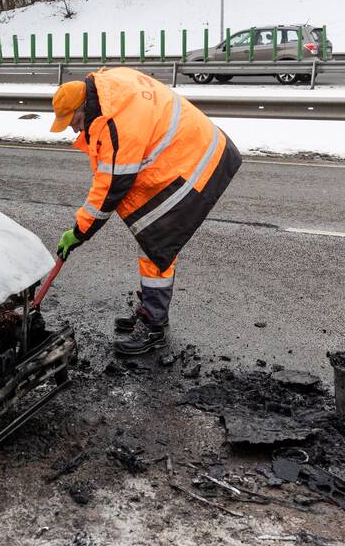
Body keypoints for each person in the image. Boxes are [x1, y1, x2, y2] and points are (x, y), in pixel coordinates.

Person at [51, 67, 241, 355]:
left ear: (84, 107)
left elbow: (110, 188)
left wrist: (79, 232)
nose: (74, 129)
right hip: (186, 151)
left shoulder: (114, 122)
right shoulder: (106, 87)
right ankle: (151, 311)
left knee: (157, 242)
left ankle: (154, 326)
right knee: (151, 239)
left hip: (196, 164)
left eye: (74, 121)